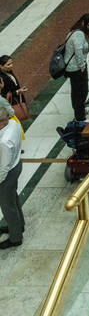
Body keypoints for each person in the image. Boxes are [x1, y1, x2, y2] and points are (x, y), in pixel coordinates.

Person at [0, 98, 25, 251]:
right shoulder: (14, 124)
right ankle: (19, 225)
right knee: (13, 198)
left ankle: (15, 237)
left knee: (7, 206)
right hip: (17, 165)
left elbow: (3, 167)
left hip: (7, 174)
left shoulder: (3, 142)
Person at [64, 14, 89, 122]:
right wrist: (82, 66)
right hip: (77, 68)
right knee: (82, 91)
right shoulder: (79, 34)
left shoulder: (73, 31)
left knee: (76, 91)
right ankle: (80, 117)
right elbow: (78, 51)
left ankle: (79, 110)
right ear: (83, 22)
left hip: (72, 68)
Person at [0, 55, 26, 122]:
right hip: (12, 102)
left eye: (11, 63)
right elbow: (4, 95)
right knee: (18, 117)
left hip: (18, 97)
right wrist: (17, 92)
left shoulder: (8, 70)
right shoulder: (1, 79)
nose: (11, 66)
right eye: (8, 64)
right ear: (1, 66)